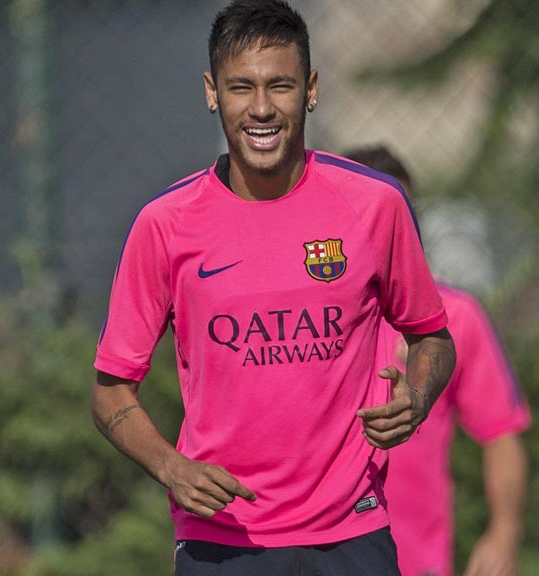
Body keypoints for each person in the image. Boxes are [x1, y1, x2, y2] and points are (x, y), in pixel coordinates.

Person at [90, 1, 457, 574]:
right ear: (212, 92)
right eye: (241, 87)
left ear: (310, 90)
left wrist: (418, 396)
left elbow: (433, 337)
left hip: (353, 530)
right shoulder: (164, 224)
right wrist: (171, 467)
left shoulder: (375, 205)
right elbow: (110, 391)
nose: (261, 108)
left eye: (280, 85)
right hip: (223, 535)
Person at [344, 145, 531, 576]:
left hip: (417, 561)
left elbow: (502, 431)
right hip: (322, 553)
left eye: (398, 215)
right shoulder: (307, 319)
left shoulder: (452, 317)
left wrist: (504, 531)